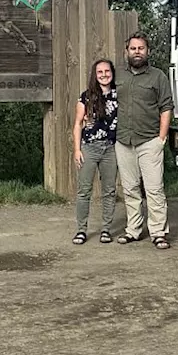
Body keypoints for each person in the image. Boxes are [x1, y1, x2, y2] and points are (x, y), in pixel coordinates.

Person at [114, 32, 174, 250]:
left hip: (149, 140)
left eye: (141, 48)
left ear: (148, 51)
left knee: (154, 189)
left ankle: (158, 233)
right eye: (133, 48)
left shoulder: (158, 77)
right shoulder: (117, 76)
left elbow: (166, 107)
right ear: (126, 51)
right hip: (123, 141)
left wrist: (161, 138)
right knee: (130, 189)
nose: (137, 52)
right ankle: (133, 230)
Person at [71, 58, 119, 245]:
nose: (104, 75)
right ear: (95, 74)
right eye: (100, 72)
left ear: (112, 73)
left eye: (107, 71)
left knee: (109, 190)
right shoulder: (86, 97)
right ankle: (81, 230)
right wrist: (77, 149)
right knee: (84, 191)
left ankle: (106, 229)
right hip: (89, 147)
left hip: (111, 148)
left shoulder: (119, 95)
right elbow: (77, 124)